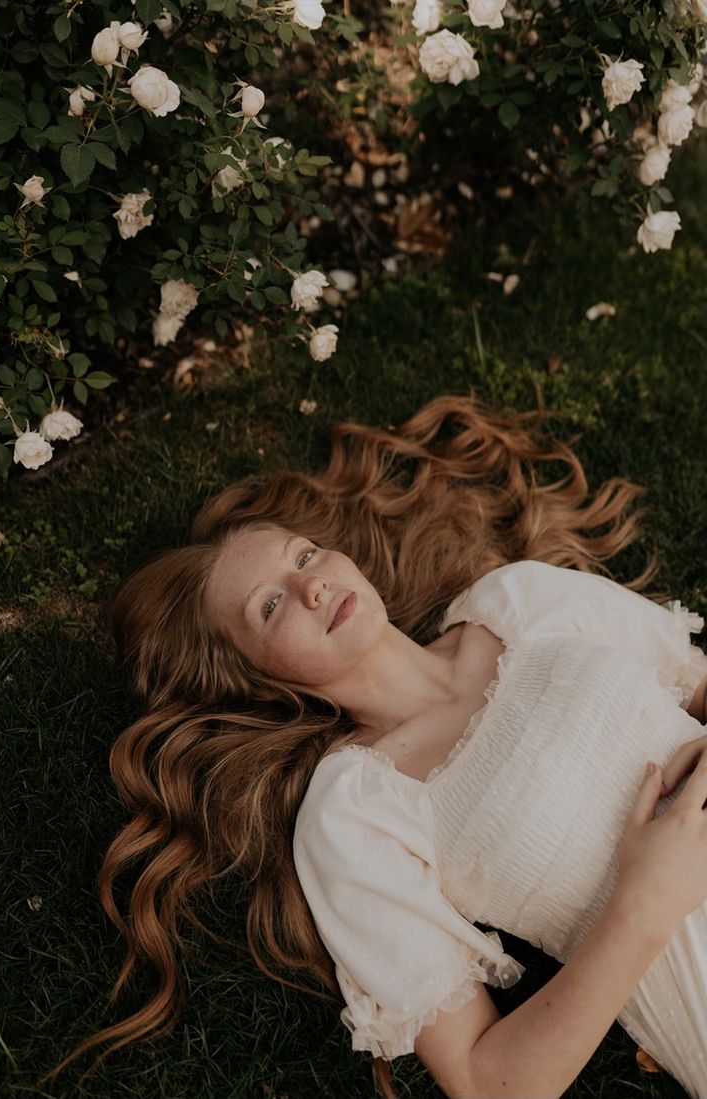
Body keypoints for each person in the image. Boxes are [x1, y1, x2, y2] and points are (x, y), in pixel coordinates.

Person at [43, 394, 707, 1099]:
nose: (312, 584)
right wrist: (642, 904)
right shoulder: (352, 811)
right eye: (270, 605)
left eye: (302, 556)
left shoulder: (521, 599)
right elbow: (489, 1081)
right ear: (257, 682)